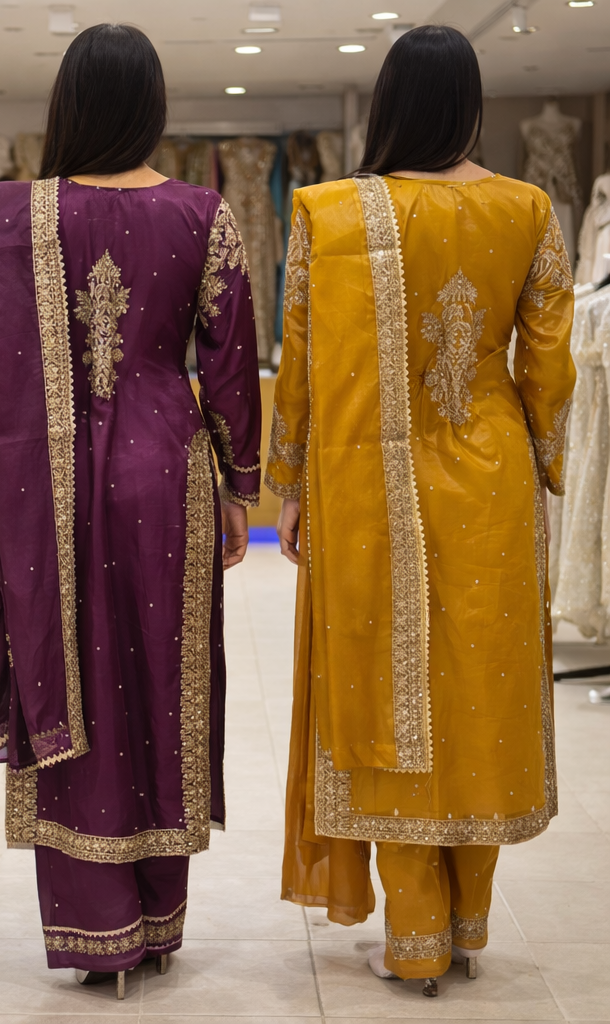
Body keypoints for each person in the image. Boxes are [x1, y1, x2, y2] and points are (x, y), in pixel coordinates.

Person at [0, 23, 261, 995]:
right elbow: (231, 364)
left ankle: (97, 930)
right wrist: (240, 482)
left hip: (45, 486)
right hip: (167, 473)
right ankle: (158, 922)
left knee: (73, 674)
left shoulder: (9, 219)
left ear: (68, 105)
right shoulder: (203, 214)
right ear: (152, 106)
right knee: (161, 681)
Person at [267, 25, 575, 997]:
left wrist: (289, 482)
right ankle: (466, 923)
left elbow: (302, 361)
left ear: (391, 104)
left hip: (370, 482)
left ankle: (415, 934)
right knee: (478, 690)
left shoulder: (330, 213)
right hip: (492, 479)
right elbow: (548, 363)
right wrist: (548, 462)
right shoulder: (528, 209)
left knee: (388, 692)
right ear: (473, 105)